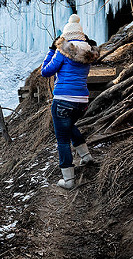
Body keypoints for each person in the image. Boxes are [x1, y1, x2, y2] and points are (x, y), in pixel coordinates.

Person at [41, 14, 100, 189]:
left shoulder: (63, 51)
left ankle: (68, 180)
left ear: (65, 37)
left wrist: (52, 51)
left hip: (63, 100)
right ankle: (86, 156)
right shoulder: (89, 53)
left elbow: (46, 71)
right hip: (82, 102)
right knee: (69, 126)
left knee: (62, 140)